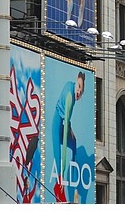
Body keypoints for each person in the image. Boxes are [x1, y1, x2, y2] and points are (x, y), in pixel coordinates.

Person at [52, 71, 85, 202]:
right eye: (79, 88)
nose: (79, 93)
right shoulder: (70, 97)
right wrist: (63, 172)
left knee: (74, 143)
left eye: (81, 92)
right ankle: (59, 184)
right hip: (57, 127)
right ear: (76, 80)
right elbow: (64, 140)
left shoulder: (71, 87)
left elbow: (67, 119)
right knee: (58, 155)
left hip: (64, 124)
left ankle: (72, 185)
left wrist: (70, 127)